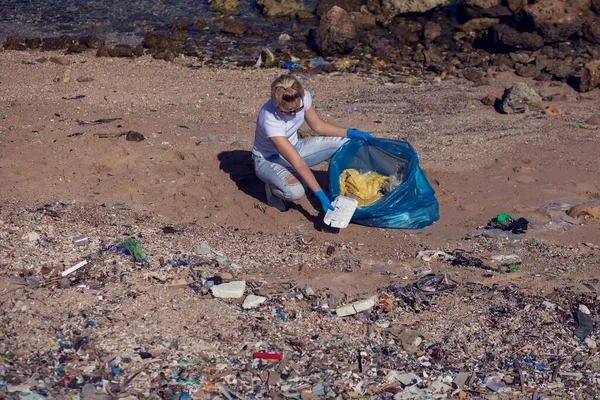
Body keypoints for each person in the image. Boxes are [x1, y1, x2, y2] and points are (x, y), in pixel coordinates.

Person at [252, 74, 373, 212]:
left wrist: (350, 133)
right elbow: (298, 163)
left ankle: (330, 187)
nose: (293, 114)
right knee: (295, 192)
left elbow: (318, 126)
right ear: (276, 104)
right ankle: (273, 190)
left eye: (297, 109)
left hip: (294, 147)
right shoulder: (270, 119)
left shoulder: (303, 97)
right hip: (268, 159)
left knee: (344, 143)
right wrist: (319, 194)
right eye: (288, 111)